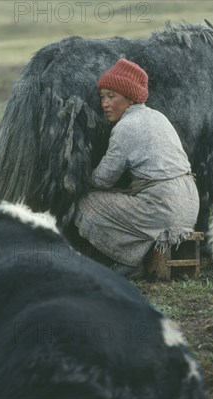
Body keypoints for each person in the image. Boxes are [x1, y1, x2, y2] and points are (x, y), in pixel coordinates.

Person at [74, 58, 199, 278]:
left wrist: (80, 176)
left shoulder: (126, 127)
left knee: (87, 202)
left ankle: (128, 260)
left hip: (164, 208)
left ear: (130, 98)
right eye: (102, 96)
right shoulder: (157, 116)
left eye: (112, 96)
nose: (104, 104)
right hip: (189, 204)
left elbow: (103, 180)